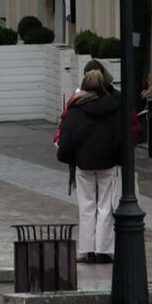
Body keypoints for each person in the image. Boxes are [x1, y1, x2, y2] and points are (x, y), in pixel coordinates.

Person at [55, 60, 123, 263]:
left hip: (83, 164)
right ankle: (104, 250)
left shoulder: (76, 109)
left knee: (86, 206)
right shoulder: (115, 105)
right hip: (108, 162)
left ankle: (87, 250)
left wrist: (67, 157)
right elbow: (121, 136)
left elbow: (66, 140)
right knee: (105, 207)